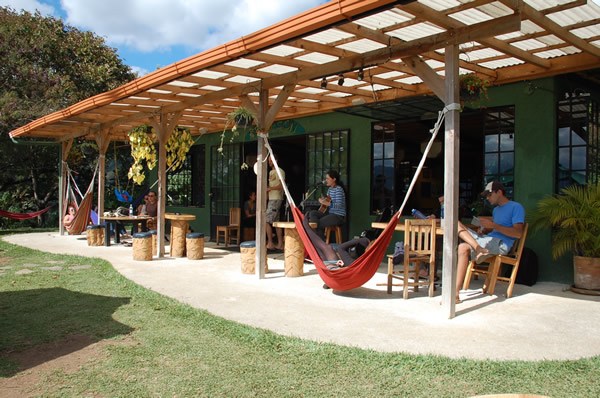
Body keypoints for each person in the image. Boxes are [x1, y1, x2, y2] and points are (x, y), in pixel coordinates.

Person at [455, 181, 525, 303]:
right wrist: (484, 230)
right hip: (488, 240)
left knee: (463, 246)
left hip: (501, 243)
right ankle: (478, 248)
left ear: (499, 192)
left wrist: (493, 225)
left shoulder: (516, 207)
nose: (487, 198)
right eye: (486, 196)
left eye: (489, 194)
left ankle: (478, 248)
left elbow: (518, 233)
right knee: (455, 226)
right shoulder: (496, 210)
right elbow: (495, 228)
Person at [302, 215, 370, 289]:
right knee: (319, 250)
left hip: (334, 272)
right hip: (335, 271)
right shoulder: (360, 263)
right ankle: (328, 282)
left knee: (326, 248)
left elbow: (340, 248)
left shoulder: (352, 263)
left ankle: (306, 226)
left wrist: (359, 240)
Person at [307, 170, 346, 239]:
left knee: (318, 223)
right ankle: (318, 237)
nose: (326, 180)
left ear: (334, 179)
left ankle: (320, 241)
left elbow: (339, 205)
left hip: (338, 216)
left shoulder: (339, 189)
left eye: (327, 178)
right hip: (330, 214)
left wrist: (326, 203)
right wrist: (322, 200)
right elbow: (327, 202)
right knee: (313, 213)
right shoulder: (330, 189)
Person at [266, 157, 285, 250]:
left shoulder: (280, 171)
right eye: (268, 160)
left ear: (275, 161)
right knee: (276, 222)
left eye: (270, 160)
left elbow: (282, 186)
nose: (269, 162)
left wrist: (270, 188)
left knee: (266, 220)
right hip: (271, 198)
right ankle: (280, 244)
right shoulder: (271, 172)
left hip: (276, 199)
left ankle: (270, 243)